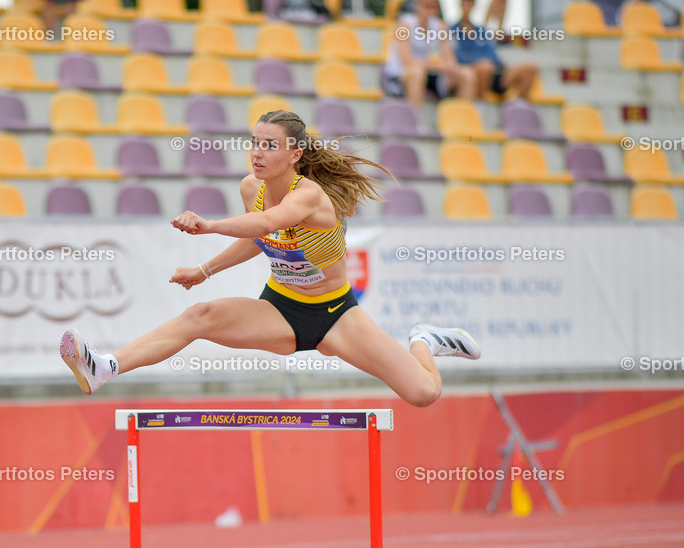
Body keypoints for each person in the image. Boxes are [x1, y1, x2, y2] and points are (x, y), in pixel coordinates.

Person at [60, 110, 481, 406]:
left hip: (335, 315)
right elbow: (258, 240)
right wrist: (204, 271)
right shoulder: (252, 188)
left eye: (269, 146)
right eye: (254, 144)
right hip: (280, 307)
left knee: (424, 394)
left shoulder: (310, 196)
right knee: (199, 316)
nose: (257, 154)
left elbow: (268, 224)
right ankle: (105, 367)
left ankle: (423, 340)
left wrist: (207, 227)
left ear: (295, 155)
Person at [383, 0, 476, 111]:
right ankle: (414, 121)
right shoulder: (405, 25)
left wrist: (448, 67)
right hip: (400, 74)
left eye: (433, 7)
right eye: (426, 6)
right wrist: (437, 66)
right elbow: (406, 61)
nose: (430, 10)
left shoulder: (440, 26)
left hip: (425, 72)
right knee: (417, 73)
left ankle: (463, 120)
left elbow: (451, 61)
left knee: (467, 74)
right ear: (417, 6)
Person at [451, 0, 538, 101]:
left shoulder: (481, 31)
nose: (468, 6)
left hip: (493, 72)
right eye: (466, 3)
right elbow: (456, 57)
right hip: (473, 73)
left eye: (470, 3)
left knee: (531, 68)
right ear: (460, 5)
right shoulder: (452, 30)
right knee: (484, 68)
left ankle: (517, 107)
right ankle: (479, 105)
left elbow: (493, 54)